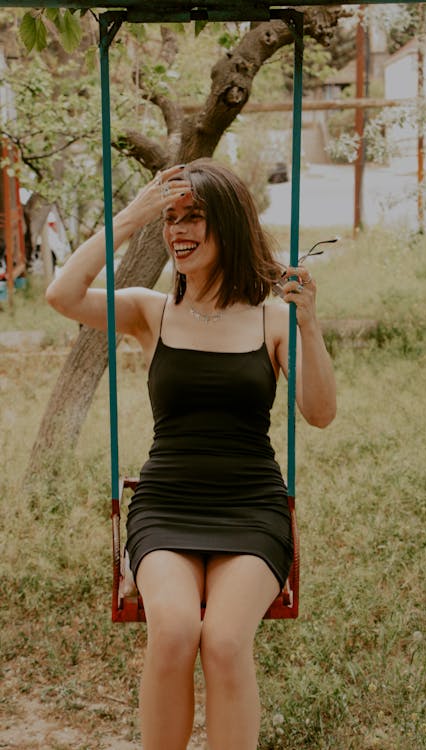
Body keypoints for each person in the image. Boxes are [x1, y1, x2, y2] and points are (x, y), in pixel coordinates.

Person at [46, 158, 336, 750]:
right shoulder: (150, 311)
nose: (178, 230)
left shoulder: (270, 317)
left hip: (252, 509)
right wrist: (135, 214)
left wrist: (308, 322)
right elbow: (62, 293)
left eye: (194, 217)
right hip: (167, 506)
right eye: (171, 219)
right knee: (175, 631)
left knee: (226, 641)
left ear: (228, 224)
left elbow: (320, 412)